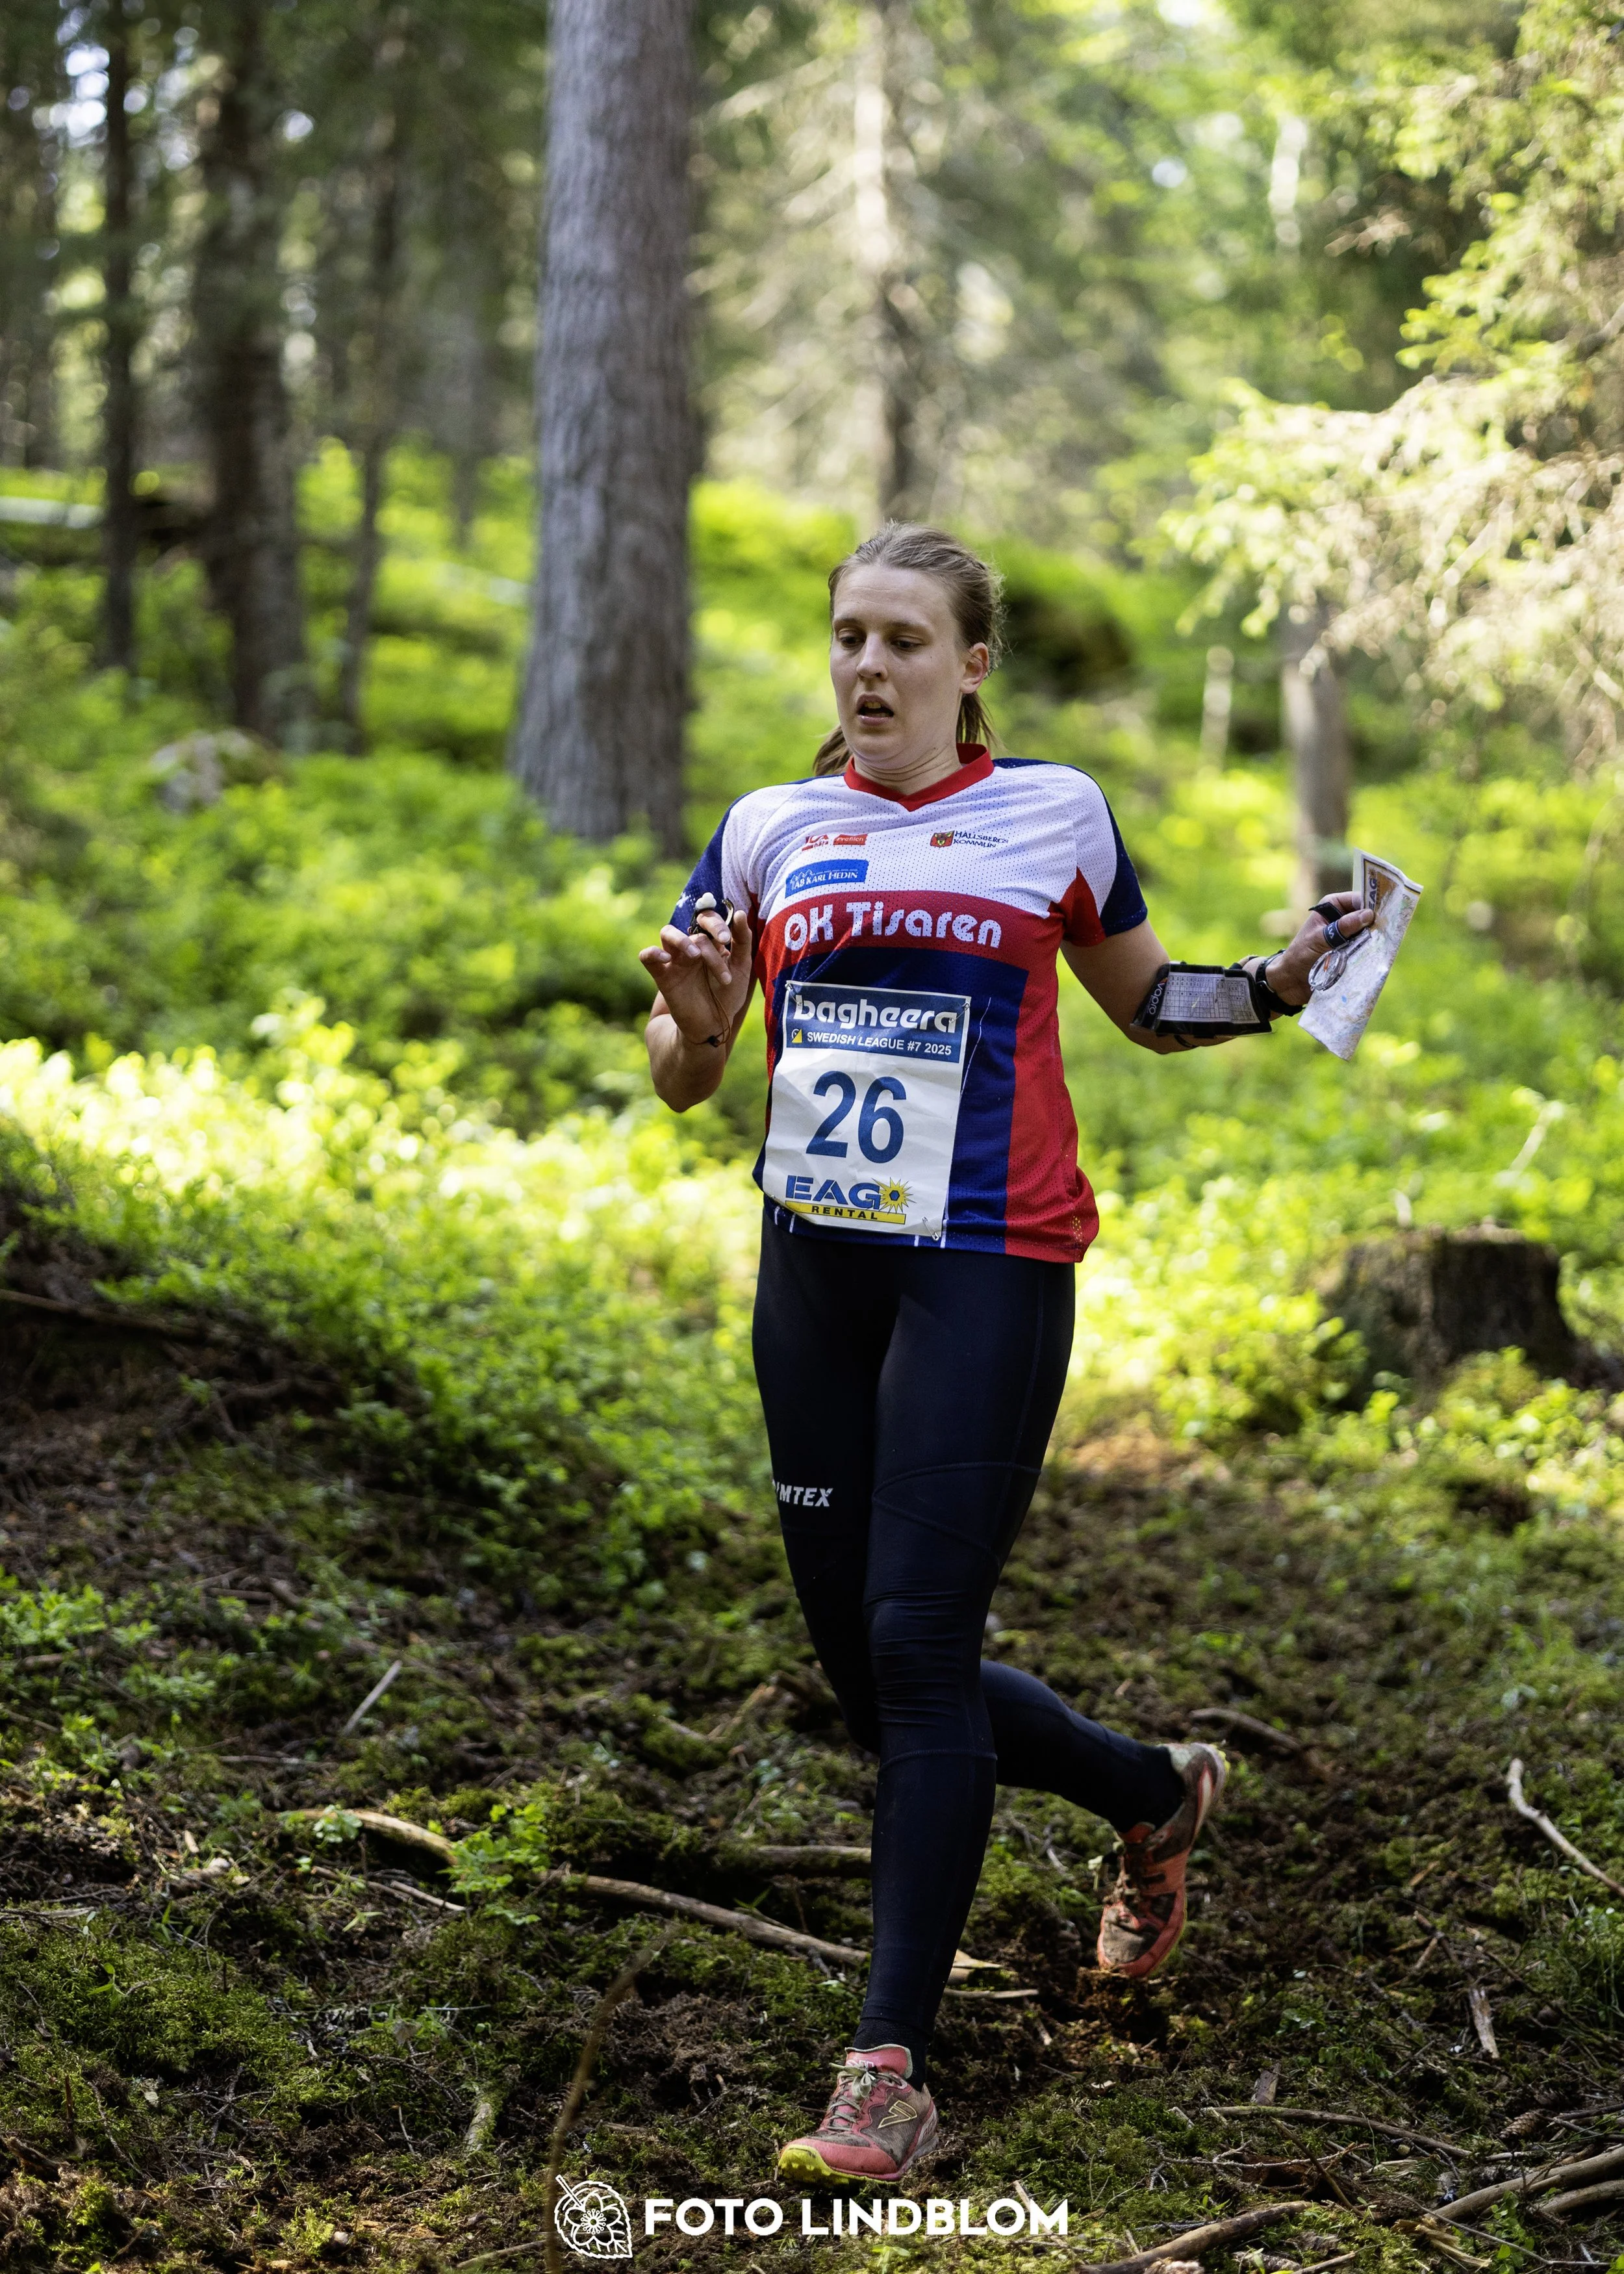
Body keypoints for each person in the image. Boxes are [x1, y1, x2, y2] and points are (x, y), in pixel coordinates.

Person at [639, 523, 1372, 2186]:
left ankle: (886, 2067)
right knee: (864, 1670)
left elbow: (1148, 1002)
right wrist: (697, 1015)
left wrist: (1273, 982)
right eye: (848, 635)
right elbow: (686, 1069)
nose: (868, 665)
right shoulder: (766, 828)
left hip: (987, 1266)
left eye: (903, 639)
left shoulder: (1054, 811)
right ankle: (1150, 1792)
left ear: (969, 665)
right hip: (813, 1275)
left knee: (917, 1642)